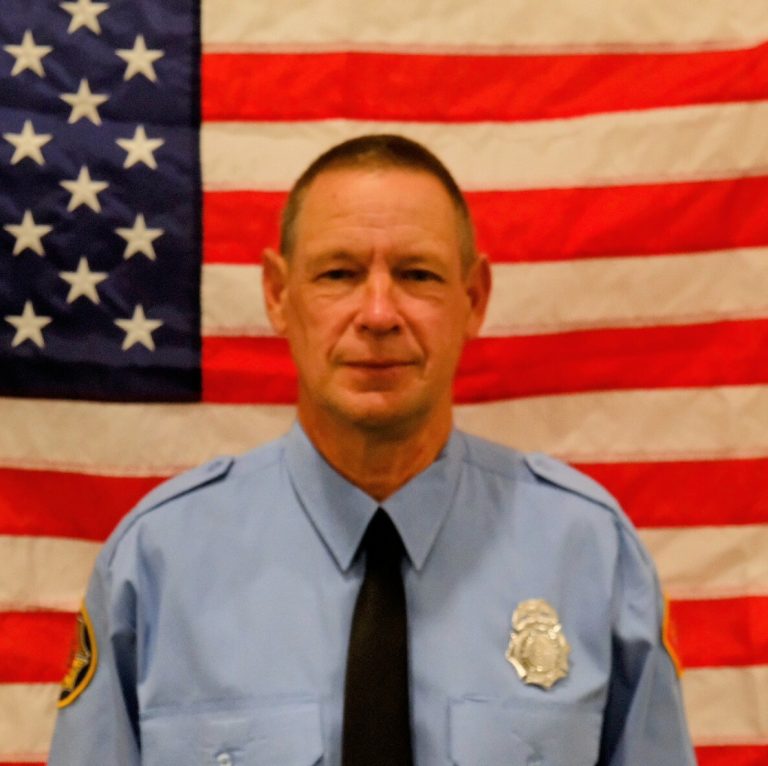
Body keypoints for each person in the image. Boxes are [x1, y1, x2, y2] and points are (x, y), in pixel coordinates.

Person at [48, 134, 696, 765]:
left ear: (473, 298)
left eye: (417, 275)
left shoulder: (590, 556)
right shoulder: (159, 564)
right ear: (278, 295)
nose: (379, 313)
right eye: (339, 274)